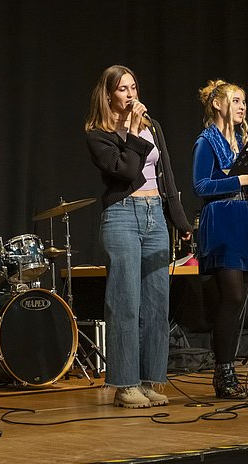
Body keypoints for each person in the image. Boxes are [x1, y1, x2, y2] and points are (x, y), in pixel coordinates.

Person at [85, 65, 192, 408]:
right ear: (108, 95)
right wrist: (131, 131)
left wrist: (180, 221)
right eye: (122, 89)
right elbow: (127, 170)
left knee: (157, 303)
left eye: (133, 87)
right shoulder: (98, 134)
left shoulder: (152, 126)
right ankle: (125, 384)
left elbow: (166, 175)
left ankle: (149, 380)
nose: (131, 94)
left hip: (155, 214)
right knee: (125, 302)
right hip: (122, 215)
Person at [193, 80, 248, 398]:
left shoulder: (241, 141)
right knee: (232, 297)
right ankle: (223, 373)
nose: (242, 107)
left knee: (239, 302)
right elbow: (200, 185)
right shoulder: (206, 141)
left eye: (244, 102)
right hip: (221, 220)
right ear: (217, 104)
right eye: (236, 100)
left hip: (243, 219)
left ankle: (228, 373)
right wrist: (239, 180)